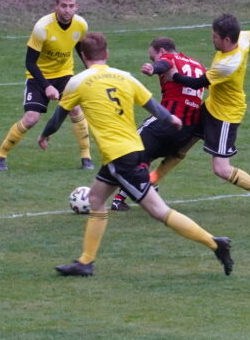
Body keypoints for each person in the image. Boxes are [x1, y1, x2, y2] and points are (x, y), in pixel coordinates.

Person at [37, 32, 232, 277]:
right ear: (106, 54)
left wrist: (44, 136)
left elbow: (58, 118)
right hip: (126, 152)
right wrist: (169, 117)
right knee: (96, 199)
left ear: (83, 56)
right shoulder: (124, 77)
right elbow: (152, 104)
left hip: (122, 158)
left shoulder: (77, 82)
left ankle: (215, 243)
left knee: (159, 211)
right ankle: (85, 262)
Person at [164, 14, 250, 213]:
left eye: (215, 37)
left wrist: (173, 75)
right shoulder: (242, 38)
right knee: (181, 145)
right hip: (211, 106)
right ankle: (151, 183)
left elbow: (197, 83)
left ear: (227, 40)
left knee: (221, 169)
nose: (212, 39)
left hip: (225, 115)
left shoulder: (227, 65)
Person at [0, 0, 93, 171]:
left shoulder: (81, 25)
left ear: (76, 7)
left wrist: (91, 71)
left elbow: (79, 48)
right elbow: (30, 63)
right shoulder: (42, 27)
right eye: (63, 6)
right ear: (56, 6)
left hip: (64, 74)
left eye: (71, 6)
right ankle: (0, 156)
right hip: (39, 76)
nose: (67, 10)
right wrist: (46, 86)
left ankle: (86, 158)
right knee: (31, 119)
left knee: (75, 109)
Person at [109, 36, 207, 212]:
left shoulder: (168, 58)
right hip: (186, 131)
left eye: (152, 56)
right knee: (145, 156)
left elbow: (164, 65)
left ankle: (140, 190)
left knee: (129, 150)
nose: (153, 60)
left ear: (161, 51)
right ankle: (122, 198)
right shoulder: (198, 65)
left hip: (166, 122)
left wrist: (153, 68)